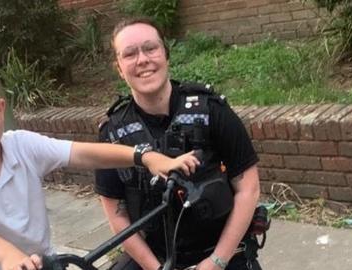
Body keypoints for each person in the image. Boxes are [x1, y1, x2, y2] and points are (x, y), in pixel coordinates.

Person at [0, 59, 200, 270]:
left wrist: (144, 157)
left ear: (1, 108)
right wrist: (8, 256)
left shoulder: (21, 144)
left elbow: (83, 153)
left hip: (44, 263)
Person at [95, 18, 262, 270]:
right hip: (155, 258)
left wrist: (216, 262)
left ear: (166, 54)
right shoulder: (113, 134)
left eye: (150, 48)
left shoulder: (211, 110)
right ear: (119, 68)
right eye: (129, 54)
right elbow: (118, 219)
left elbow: (248, 189)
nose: (142, 60)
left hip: (222, 252)